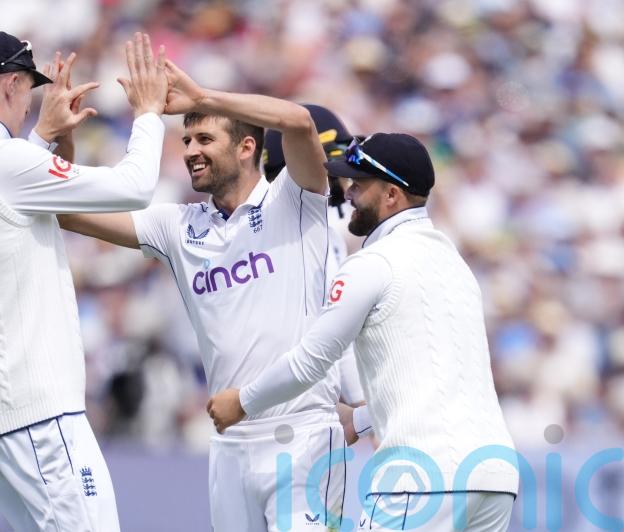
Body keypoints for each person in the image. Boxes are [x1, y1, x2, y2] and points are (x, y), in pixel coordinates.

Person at [59, 61, 348, 531]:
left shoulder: (293, 202)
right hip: (229, 442)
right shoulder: (178, 226)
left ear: (247, 146)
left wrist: (205, 98)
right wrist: (63, 142)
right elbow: (70, 215)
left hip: (303, 436)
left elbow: (298, 121)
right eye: (187, 141)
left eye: (205, 139)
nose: (191, 151)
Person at [0, 30, 168, 532]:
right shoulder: (5, 162)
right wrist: (150, 113)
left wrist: (42, 141)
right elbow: (134, 187)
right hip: (40, 415)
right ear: (10, 85)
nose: (29, 106)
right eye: (28, 91)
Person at [208, 133, 520, 530]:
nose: (348, 193)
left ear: (392, 195)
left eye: (359, 183)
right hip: (494, 475)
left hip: (421, 477)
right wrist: (362, 421)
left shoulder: (372, 263)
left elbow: (309, 363)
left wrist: (243, 401)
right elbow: (442, 383)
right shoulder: (454, 264)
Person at [262, 104, 373, 443]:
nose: (350, 174)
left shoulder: (297, 229)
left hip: (276, 405)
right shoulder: (312, 233)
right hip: (295, 413)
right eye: (341, 156)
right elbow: (337, 333)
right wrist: (362, 409)